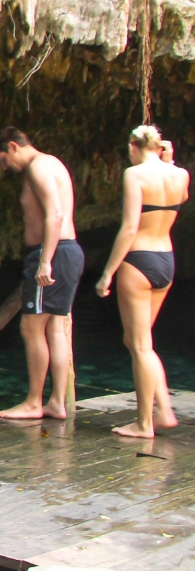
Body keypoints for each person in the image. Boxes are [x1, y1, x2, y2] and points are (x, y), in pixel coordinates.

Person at [95, 125, 189, 438]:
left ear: (135, 146)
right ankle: (163, 409)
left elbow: (130, 227)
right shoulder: (180, 175)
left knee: (139, 345)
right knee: (139, 342)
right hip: (166, 261)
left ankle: (145, 423)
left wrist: (108, 272)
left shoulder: (134, 175)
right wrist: (171, 162)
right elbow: (183, 197)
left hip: (139, 261)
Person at [0, 127, 85, 420]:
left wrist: (45, 261)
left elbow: (54, 214)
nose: (5, 167)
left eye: (3, 160)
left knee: (31, 328)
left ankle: (34, 402)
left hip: (52, 252)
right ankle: (56, 402)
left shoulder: (38, 167)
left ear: (13, 146)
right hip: (67, 251)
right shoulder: (53, 163)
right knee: (54, 328)